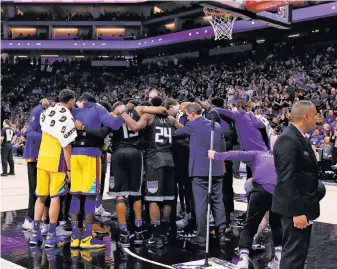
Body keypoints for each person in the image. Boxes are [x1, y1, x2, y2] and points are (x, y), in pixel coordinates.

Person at [273, 100, 325, 269]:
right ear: (306, 116)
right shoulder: (288, 139)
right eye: (315, 114)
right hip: (296, 209)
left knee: (298, 255)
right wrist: (297, 212)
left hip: (303, 205)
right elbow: (286, 179)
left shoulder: (297, 137)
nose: (317, 117)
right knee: (293, 257)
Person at [208, 149, 282, 269]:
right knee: (277, 224)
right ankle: (279, 258)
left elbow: (236, 154)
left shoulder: (258, 153)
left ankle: (243, 260)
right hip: (278, 191)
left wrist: (216, 155)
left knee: (249, 226)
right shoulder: (282, 158)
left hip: (260, 189)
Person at [124, 96, 183, 248]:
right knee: (169, 199)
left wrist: (122, 114)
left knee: (153, 199)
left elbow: (135, 127)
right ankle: (164, 234)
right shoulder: (170, 119)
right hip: (170, 160)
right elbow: (184, 131)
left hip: (154, 160)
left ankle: (156, 236)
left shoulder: (148, 116)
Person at [69, 92, 125, 249]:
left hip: (74, 155)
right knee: (90, 195)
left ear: (82, 101)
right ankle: (87, 238)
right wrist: (122, 113)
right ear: (94, 101)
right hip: (91, 154)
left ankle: (75, 237)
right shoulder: (99, 108)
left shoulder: (74, 110)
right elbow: (115, 125)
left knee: (76, 194)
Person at [174, 103, 227, 247]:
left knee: (201, 204)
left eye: (186, 115)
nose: (187, 118)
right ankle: (221, 234)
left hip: (199, 171)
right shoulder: (216, 126)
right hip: (216, 170)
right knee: (218, 201)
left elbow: (174, 134)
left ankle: (201, 237)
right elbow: (223, 148)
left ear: (192, 114)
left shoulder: (192, 125)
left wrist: (173, 121)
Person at [29, 89, 77, 248]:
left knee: (41, 196)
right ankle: (51, 235)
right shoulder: (68, 117)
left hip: (42, 158)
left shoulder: (47, 111)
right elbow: (67, 146)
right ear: (70, 100)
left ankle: (35, 235)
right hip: (57, 160)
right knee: (55, 196)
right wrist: (69, 169)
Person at [22, 98, 49, 230]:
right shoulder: (38, 110)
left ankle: (39, 219)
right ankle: (29, 219)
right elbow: (30, 132)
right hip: (34, 155)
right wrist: (47, 136)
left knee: (41, 190)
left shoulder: (45, 111)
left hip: (41, 155)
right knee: (34, 189)